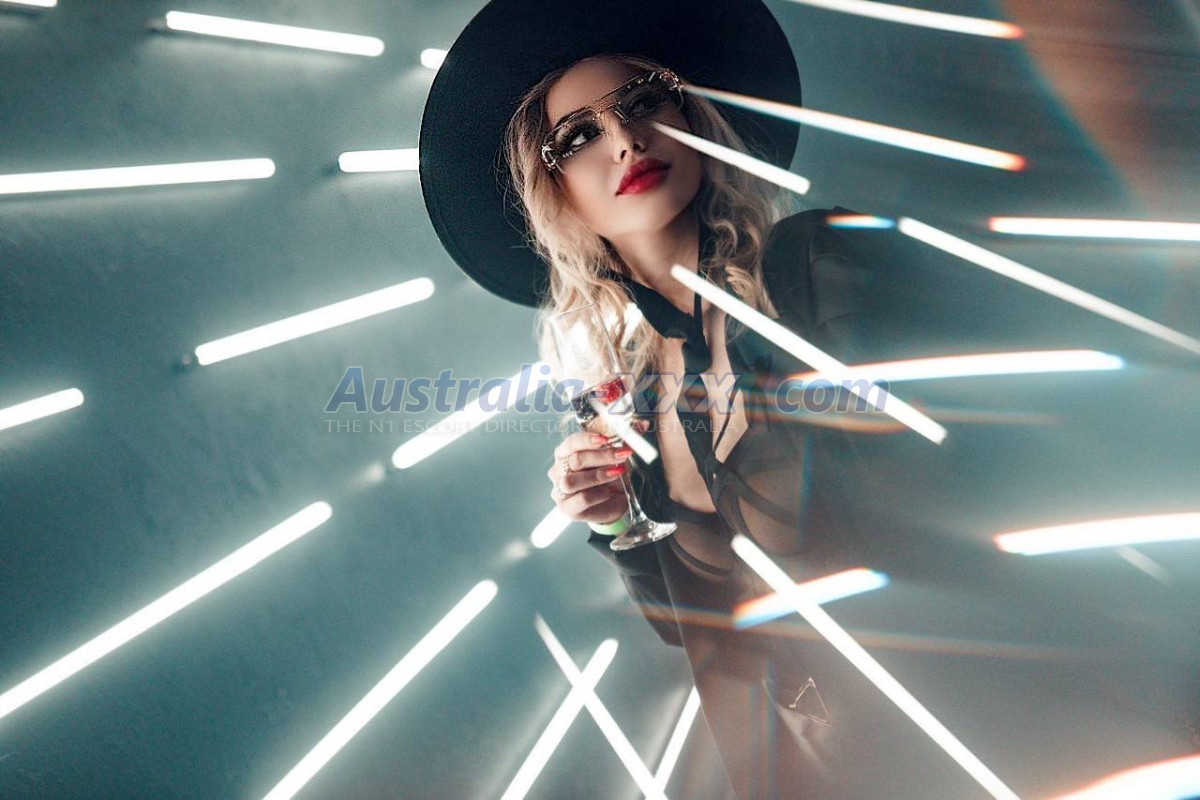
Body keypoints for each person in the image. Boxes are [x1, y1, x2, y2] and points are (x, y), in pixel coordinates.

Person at [419, 0, 1200, 796]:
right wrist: (617, 522)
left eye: (644, 100)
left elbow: (1007, 462)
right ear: (553, 191)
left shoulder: (820, 265)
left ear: (691, 115)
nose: (626, 139)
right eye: (578, 136)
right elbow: (699, 627)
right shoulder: (638, 401)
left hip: (1020, 728)